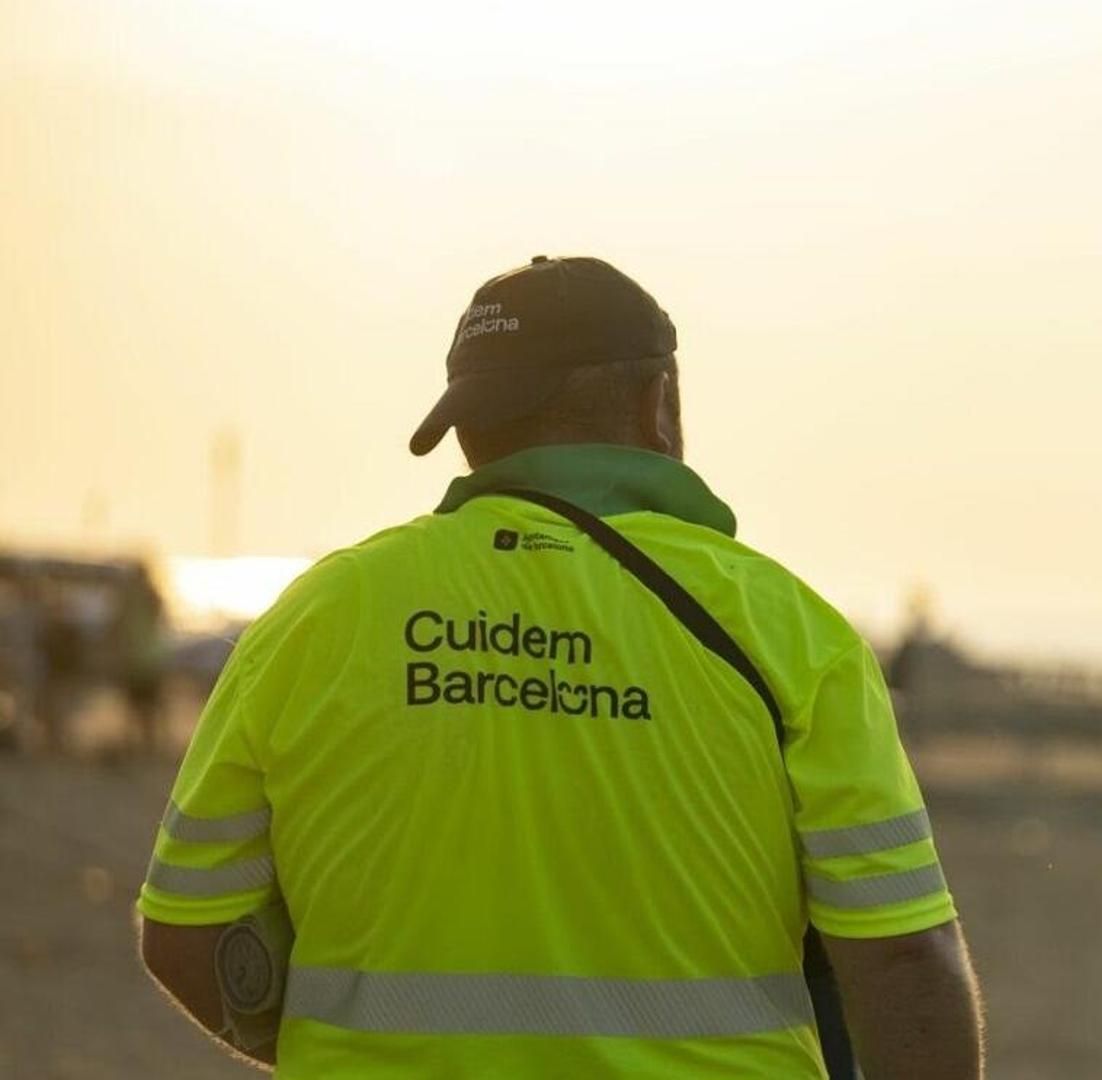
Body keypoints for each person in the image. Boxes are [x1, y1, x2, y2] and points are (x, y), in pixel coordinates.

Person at [136, 255, 986, 1079]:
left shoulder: (317, 616)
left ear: (468, 430)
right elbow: (903, 957)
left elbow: (185, 933)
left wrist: (348, 1046)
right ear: (658, 404)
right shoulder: (788, 629)